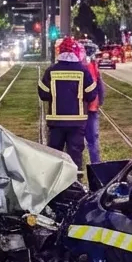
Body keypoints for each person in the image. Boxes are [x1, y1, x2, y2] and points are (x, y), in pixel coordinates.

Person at [38, 36, 97, 170]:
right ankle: (76, 183)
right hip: (77, 123)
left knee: (54, 156)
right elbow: (92, 95)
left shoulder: (51, 71)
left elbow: (43, 94)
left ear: (60, 52)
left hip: (56, 123)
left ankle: (55, 185)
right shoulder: (83, 71)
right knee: (75, 156)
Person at [80, 41, 105, 164]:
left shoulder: (81, 65)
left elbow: (99, 84)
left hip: (80, 109)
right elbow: (99, 84)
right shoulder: (93, 65)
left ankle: (77, 167)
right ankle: (96, 166)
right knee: (93, 140)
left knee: (76, 141)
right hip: (91, 108)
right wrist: (100, 100)